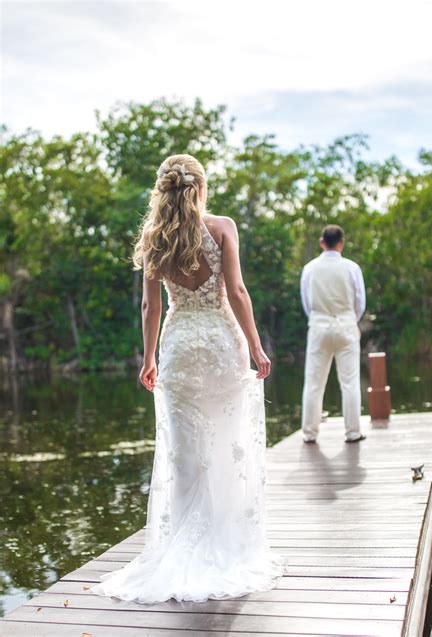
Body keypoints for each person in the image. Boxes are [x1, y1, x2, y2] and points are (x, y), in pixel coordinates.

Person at [90, 154, 286, 604]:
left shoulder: (154, 237)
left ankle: (182, 543)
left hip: (179, 348)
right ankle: (226, 541)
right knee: (225, 442)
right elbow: (236, 292)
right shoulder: (222, 227)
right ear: (200, 187)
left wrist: (149, 357)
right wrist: (256, 347)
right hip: (220, 342)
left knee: (185, 452)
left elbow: (150, 307)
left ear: (164, 189)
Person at [300, 224, 366, 444]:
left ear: (322, 242)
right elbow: (360, 302)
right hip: (346, 325)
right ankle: (353, 432)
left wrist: (319, 319)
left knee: (313, 383)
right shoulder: (351, 268)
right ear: (341, 242)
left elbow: (307, 302)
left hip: (319, 326)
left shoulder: (309, 268)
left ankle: (310, 433)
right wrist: (348, 319)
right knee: (350, 382)